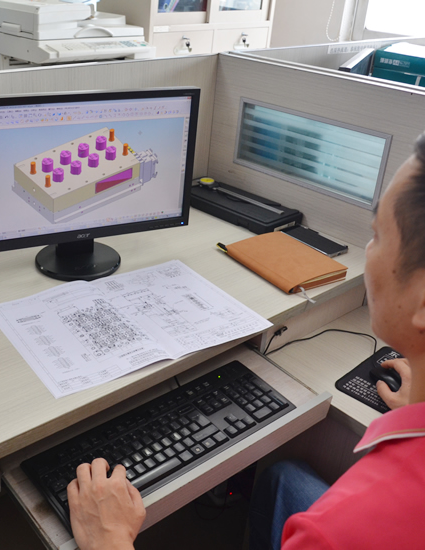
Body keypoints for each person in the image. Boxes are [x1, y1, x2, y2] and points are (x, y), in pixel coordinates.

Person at [66, 132, 425, 550]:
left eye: (378, 235)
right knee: (281, 479)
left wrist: (108, 540)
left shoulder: (332, 534)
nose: (366, 250)